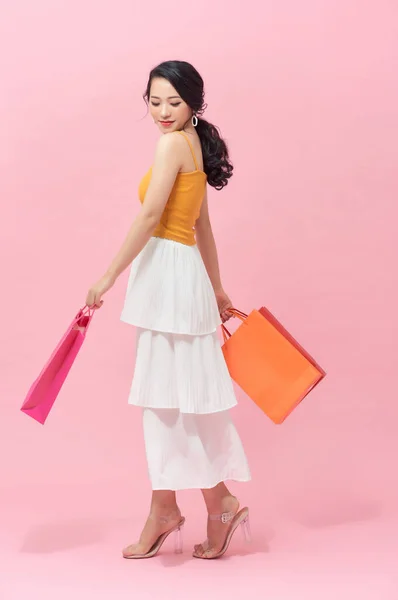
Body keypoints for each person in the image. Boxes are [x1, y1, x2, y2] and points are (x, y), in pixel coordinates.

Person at [85, 60, 251, 560]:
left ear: (194, 103)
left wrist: (108, 274)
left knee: (168, 400)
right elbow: (202, 226)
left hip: (168, 281)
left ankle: (200, 504)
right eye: (154, 101)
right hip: (185, 281)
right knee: (181, 399)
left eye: (173, 102)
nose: (162, 111)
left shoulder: (171, 145)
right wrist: (217, 288)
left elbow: (152, 215)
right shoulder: (193, 143)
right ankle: (194, 505)